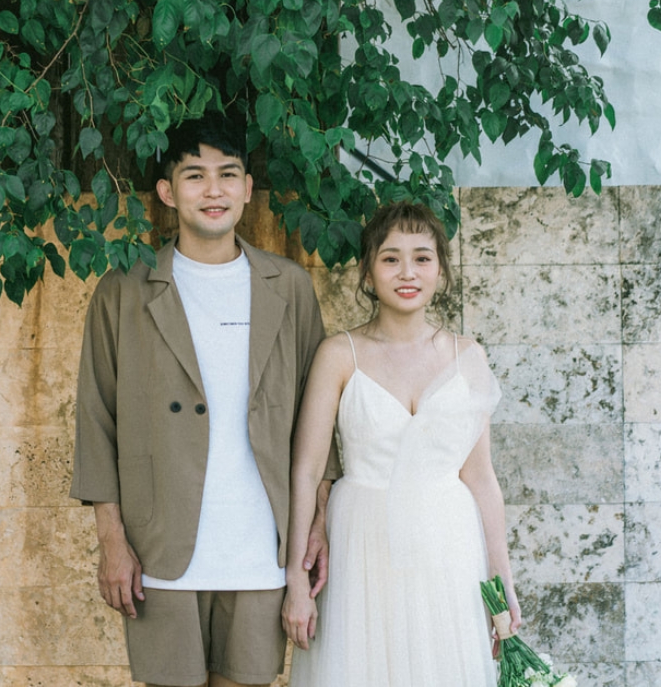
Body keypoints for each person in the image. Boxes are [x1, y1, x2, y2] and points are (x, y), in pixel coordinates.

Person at [69, 114, 340, 687]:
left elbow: (321, 420)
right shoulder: (123, 288)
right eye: (195, 175)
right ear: (168, 192)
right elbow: (97, 421)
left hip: (262, 545)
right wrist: (112, 542)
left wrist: (317, 521)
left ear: (247, 189)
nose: (212, 190)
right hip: (160, 541)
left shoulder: (288, 286)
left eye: (227, 174)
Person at [283, 201, 521, 686]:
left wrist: (504, 585)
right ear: (368, 274)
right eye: (391, 258)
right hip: (361, 545)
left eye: (422, 257)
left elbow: (480, 477)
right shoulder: (338, 355)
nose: (407, 271)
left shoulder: (468, 357)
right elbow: (306, 472)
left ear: (441, 271)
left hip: (448, 545)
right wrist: (295, 581)